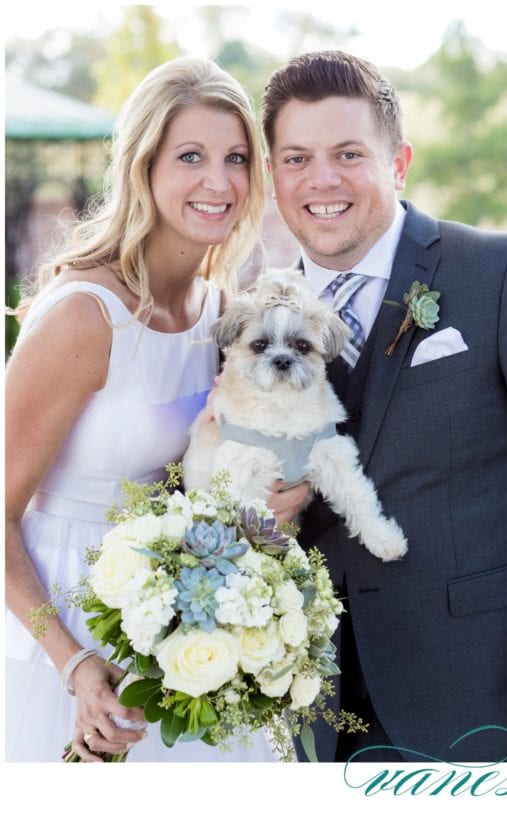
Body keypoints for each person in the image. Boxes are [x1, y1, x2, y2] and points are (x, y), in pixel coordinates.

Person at [4, 57, 302, 762]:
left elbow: (202, 477)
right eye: (190, 156)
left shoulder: (221, 312)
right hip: (65, 624)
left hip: (181, 619)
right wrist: (71, 660)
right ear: (142, 167)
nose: (219, 181)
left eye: (235, 158)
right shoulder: (85, 316)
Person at [261, 51, 507, 762]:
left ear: (398, 163)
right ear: (274, 174)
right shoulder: (254, 316)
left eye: (347, 154)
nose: (322, 181)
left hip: (467, 687)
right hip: (314, 702)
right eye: (296, 158)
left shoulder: (492, 272)